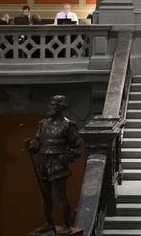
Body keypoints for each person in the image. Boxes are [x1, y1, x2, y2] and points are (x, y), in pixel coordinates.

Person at [25, 95, 84, 236]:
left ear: (60, 108)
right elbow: (37, 144)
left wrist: (66, 157)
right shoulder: (43, 124)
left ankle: (66, 225)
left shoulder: (68, 125)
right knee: (45, 196)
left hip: (57, 163)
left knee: (61, 196)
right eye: (50, 105)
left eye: (53, 105)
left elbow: (78, 148)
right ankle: (48, 223)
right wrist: (31, 146)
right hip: (43, 162)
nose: (49, 108)